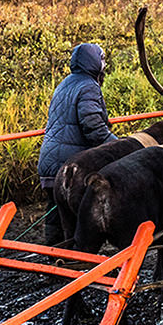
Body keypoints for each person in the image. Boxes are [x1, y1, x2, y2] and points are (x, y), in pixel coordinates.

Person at [36, 40, 114, 244]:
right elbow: (94, 128)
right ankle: (77, 258)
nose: (104, 65)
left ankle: (53, 257)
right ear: (94, 63)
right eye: (102, 60)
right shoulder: (89, 87)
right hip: (70, 164)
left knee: (56, 211)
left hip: (49, 160)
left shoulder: (65, 84)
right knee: (80, 215)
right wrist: (119, 146)